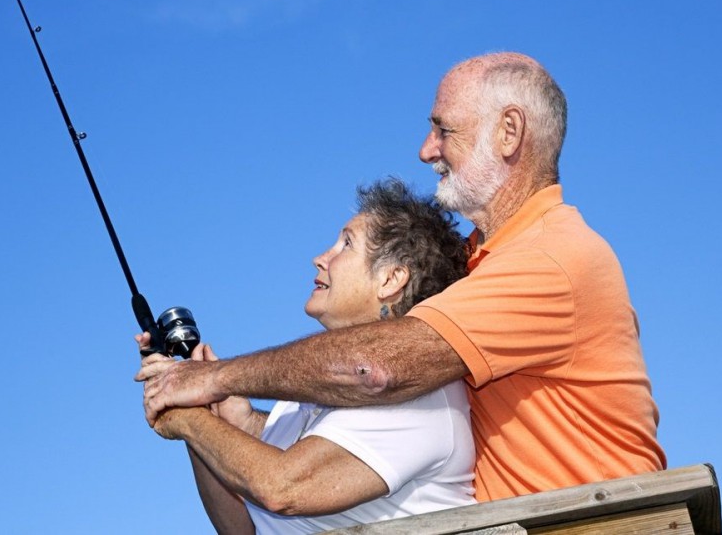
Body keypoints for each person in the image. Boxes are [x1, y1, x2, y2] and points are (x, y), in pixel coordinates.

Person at [137, 52, 666, 502]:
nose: (426, 150)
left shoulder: (550, 257)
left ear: (509, 133)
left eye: (443, 129)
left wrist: (212, 377)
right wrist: (225, 411)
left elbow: (375, 368)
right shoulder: (480, 262)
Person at [139, 180, 477, 533]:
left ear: (391, 279)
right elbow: (241, 528)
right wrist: (194, 408)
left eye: (346, 244)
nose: (320, 258)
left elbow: (283, 489)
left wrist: (188, 421)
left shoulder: (419, 391)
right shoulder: (308, 401)